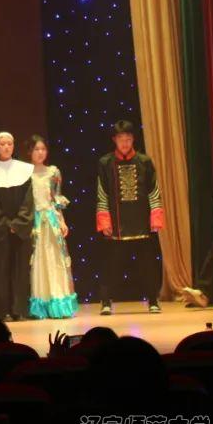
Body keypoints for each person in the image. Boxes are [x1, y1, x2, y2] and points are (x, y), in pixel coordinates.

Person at [95, 120, 164, 315]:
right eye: (120, 139)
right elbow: (102, 193)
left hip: (142, 222)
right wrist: (105, 221)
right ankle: (106, 301)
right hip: (117, 225)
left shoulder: (144, 161)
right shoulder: (105, 163)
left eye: (127, 139)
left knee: (148, 264)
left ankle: (153, 300)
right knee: (111, 265)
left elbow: (153, 191)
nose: (124, 143)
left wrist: (156, 218)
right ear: (114, 140)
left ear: (133, 139)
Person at [0, 131, 35, 322]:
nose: (6, 147)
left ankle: (19, 309)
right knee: (0, 269)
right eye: (2, 144)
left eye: (10, 144)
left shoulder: (25, 170)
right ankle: (2, 310)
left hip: (20, 229)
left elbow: (29, 201)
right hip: (0, 230)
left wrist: (18, 224)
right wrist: (4, 224)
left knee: (20, 268)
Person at [26, 135, 78, 319]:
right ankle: (41, 304)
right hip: (35, 221)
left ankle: (59, 301)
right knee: (39, 261)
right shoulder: (26, 173)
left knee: (55, 259)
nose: (40, 153)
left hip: (51, 220)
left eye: (43, 149)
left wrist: (62, 221)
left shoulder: (53, 172)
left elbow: (56, 198)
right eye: (36, 149)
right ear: (30, 151)